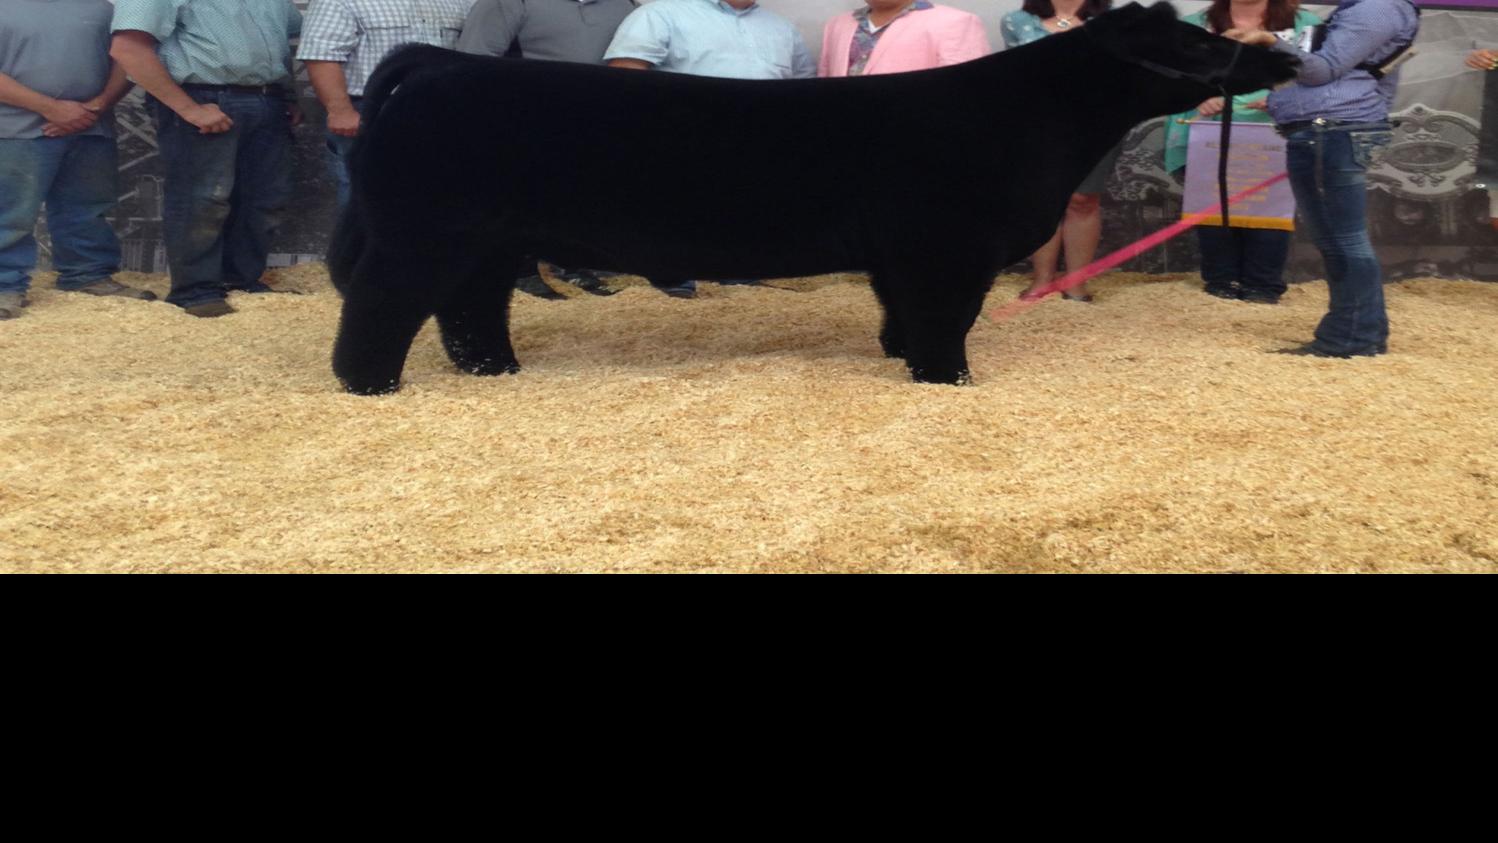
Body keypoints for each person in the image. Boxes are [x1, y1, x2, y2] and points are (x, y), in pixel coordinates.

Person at [1225, 0, 1420, 358]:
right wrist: (1284, 100)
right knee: (1338, 239)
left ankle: (1351, 337)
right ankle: (1362, 332)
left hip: (1332, 132)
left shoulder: (1375, 8)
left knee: (1343, 240)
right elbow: (1362, 75)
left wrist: (1269, 41)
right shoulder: (1365, 9)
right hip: (1328, 130)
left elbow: (1322, 71)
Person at [605, 0, 815, 298]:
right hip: (681, 137)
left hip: (759, 141)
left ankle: (737, 274)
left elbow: (802, 86)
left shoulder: (781, 28)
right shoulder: (660, 14)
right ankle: (672, 279)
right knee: (675, 208)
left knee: (745, 207)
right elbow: (624, 76)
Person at [110, 0, 304, 318]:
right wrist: (188, 109)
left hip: (267, 99)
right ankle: (194, 290)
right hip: (201, 95)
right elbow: (128, 49)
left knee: (264, 198)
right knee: (201, 199)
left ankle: (239, 280)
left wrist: (289, 96)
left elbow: (282, 41)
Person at [458, 0, 638, 299]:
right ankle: (519, 271)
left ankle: (571, 266)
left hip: (596, 122)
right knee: (517, 198)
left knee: (575, 199)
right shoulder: (507, 2)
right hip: (524, 119)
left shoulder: (623, 5)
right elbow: (472, 61)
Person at [0, 0, 153, 321]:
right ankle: (5, 286)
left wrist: (98, 106)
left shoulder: (103, 9)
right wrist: (51, 108)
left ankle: (88, 274)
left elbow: (127, 59)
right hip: (14, 129)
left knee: (88, 207)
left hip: (89, 126)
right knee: (11, 211)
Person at [1163, 0, 1320, 304]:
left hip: (1275, 134)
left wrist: (1284, 98)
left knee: (1269, 209)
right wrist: (1197, 97)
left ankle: (1263, 284)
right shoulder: (1197, 25)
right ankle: (1221, 282)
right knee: (1214, 209)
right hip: (1209, 132)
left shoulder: (1306, 23)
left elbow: (1320, 74)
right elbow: (1175, 75)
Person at [300, 1, 477, 209]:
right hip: (373, 111)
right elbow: (321, 55)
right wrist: (340, 111)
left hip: (440, 110)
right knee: (364, 196)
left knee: (435, 192)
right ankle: (364, 242)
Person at [1002, 0, 1114, 303]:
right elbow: (1013, 74)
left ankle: (1076, 283)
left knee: (1083, 200)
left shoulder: (1114, 21)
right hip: (1036, 125)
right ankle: (1041, 281)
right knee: (1042, 200)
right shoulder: (1016, 21)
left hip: (1099, 123)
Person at [819, 1, 990, 79]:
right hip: (844, 132)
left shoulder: (955, 22)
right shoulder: (837, 24)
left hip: (917, 134)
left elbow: (965, 92)